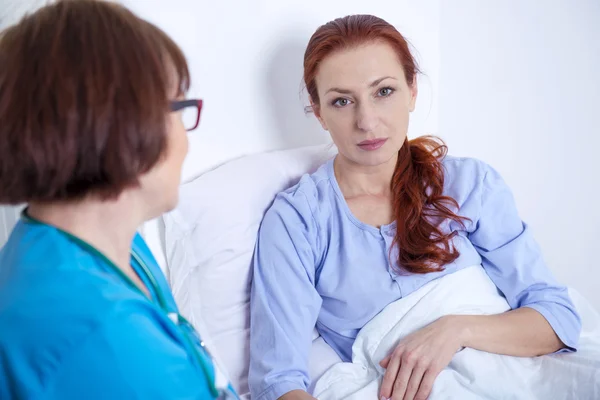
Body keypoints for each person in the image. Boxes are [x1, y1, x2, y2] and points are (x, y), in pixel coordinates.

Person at [248, 14, 581, 400]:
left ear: (412, 91)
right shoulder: (298, 222)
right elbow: (278, 382)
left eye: (383, 92)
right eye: (342, 101)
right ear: (319, 112)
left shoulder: (470, 186)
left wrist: (454, 330)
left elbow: (557, 317)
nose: (367, 121)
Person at [0, 1, 238, 399]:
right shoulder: (102, 332)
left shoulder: (100, 247)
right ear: (122, 124)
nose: (185, 141)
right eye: (178, 108)